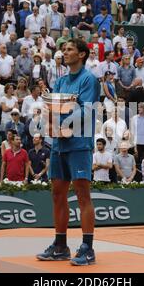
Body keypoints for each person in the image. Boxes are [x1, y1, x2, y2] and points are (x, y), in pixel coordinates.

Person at [36, 38, 100, 266]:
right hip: (58, 144)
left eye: (70, 49)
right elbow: (53, 107)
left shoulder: (89, 79)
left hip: (79, 144)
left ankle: (88, 248)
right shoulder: (61, 81)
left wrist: (62, 124)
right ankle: (61, 245)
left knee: (82, 194)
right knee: (57, 193)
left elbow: (86, 110)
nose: (65, 52)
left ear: (82, 54)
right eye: (64, 49)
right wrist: (49, 121)